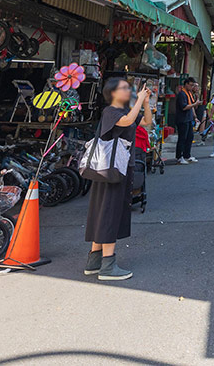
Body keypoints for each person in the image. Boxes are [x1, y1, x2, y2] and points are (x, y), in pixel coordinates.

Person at [85, 78, 149, 281]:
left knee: (102, 212)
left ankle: (94, 262)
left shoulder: (123, 112)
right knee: (109, 214)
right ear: (113, 93)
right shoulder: (111, 112)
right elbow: (128, 122)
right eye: (124, 88)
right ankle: (108, 265)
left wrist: (145, 102)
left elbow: (146, 122)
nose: (128, 90)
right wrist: (138, 100)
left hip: (116, 169)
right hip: (111, 170)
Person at [174, 82, 198, 164]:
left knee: (189, 137)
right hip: (182, 119)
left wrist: (195, 117)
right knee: (182, 138)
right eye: (191, 85)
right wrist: (195, 104)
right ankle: (179, 157)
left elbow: (192, 107)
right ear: (186, 84)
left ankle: (187, 155)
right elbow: (184, 107)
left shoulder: (189, 94)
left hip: (189, 118)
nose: (192, 87)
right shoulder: (182, 94)